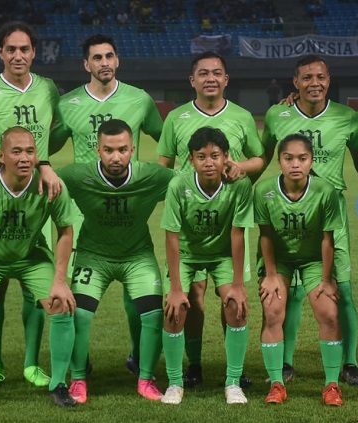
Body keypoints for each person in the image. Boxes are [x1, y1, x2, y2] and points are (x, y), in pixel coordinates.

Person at [50, 34, 164, 375]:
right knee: (75, 293)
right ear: (86, 64)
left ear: (118, 60)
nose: (104, 63)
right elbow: (46, 147)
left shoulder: (140, 100)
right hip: (81, 210)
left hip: (127, 207)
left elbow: (168, 139)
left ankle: (137, 356)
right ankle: (79, 360)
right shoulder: (68, 104)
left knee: (136, 297)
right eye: (96, 57)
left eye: (109, 56)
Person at [0, 20, 63, 391]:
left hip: (36, 194)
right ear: (0, 53)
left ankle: (33, 364)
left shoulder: (48, 89)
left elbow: (57, 132)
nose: (18, 55)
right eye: (11, 49)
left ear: (34, 52)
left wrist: (46, 164)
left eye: (25, 49)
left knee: (35, 289)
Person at [262, 54, 358, 386]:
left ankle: (350, 364)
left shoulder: (348, 119)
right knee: (291, 291)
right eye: (307, 77)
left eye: (321, 77)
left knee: (341, 290)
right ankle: (285, 363)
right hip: (287, 213)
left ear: (329, 80)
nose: (315, 83)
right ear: (295, 83)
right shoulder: (276, 115)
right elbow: (262, 156)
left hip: (330, 215)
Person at [157, 51, 264, 388]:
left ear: (226, 79)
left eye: (217, 72)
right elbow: (164, 163)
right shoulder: (176, 117)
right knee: (193, 298)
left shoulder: (243, 117)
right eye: (203, 73)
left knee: (230, 296)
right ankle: (195, 364)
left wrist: (239, 169)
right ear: (192, 80)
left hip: (224, 212)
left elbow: (259, 158)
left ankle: (235, 369)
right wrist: (177, 194)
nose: (210, 78)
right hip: (189, 217)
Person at [0, 127, 78, 410]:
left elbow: (65, 231)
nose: (24, 158)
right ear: (1, 156)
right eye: (16, 151)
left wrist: (59, 280)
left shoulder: (50, 185)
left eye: (30, 151)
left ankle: (59, 384)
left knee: (61, 303)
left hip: (31, 258)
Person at [57, 119, 175, 403]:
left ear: (133, 149)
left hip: (137, 256)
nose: (116, 157)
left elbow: (189, 182)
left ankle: (145, 378)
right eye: (108, 150)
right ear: (98, 150)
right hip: (93, 256)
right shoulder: (77, 175)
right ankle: (79, 378)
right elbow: (43, 180)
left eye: (123, 149)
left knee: (152, 314)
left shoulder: (151, 176)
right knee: (80, 314)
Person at [161, 127, 253, 405]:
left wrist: (237, 285)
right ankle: (175, 383)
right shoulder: (178, 185)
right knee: (174, 308)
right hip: (188, 255)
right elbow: (171, 237)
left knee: (236, 306)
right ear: (190, 159)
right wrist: (176, 288)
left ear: (227, 157)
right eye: (201, 156)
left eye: (215, 155)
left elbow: (238, 234)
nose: (209, 162)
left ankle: (234, 382)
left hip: (222, 255)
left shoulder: (240, 186)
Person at [255, 134, 344, 407]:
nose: (295, 164)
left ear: (311, 161)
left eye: (302, 158)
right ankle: (276, 384)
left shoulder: (325, 191)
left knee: (328, 312)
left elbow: (327, 239)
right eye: (288, 158)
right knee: (272, 310)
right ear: (279, 161)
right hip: (278, 260)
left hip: (314, 260)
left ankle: (332, 385)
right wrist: (270, 275)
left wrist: (327, 280)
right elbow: (266, 236)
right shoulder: (263, 190)